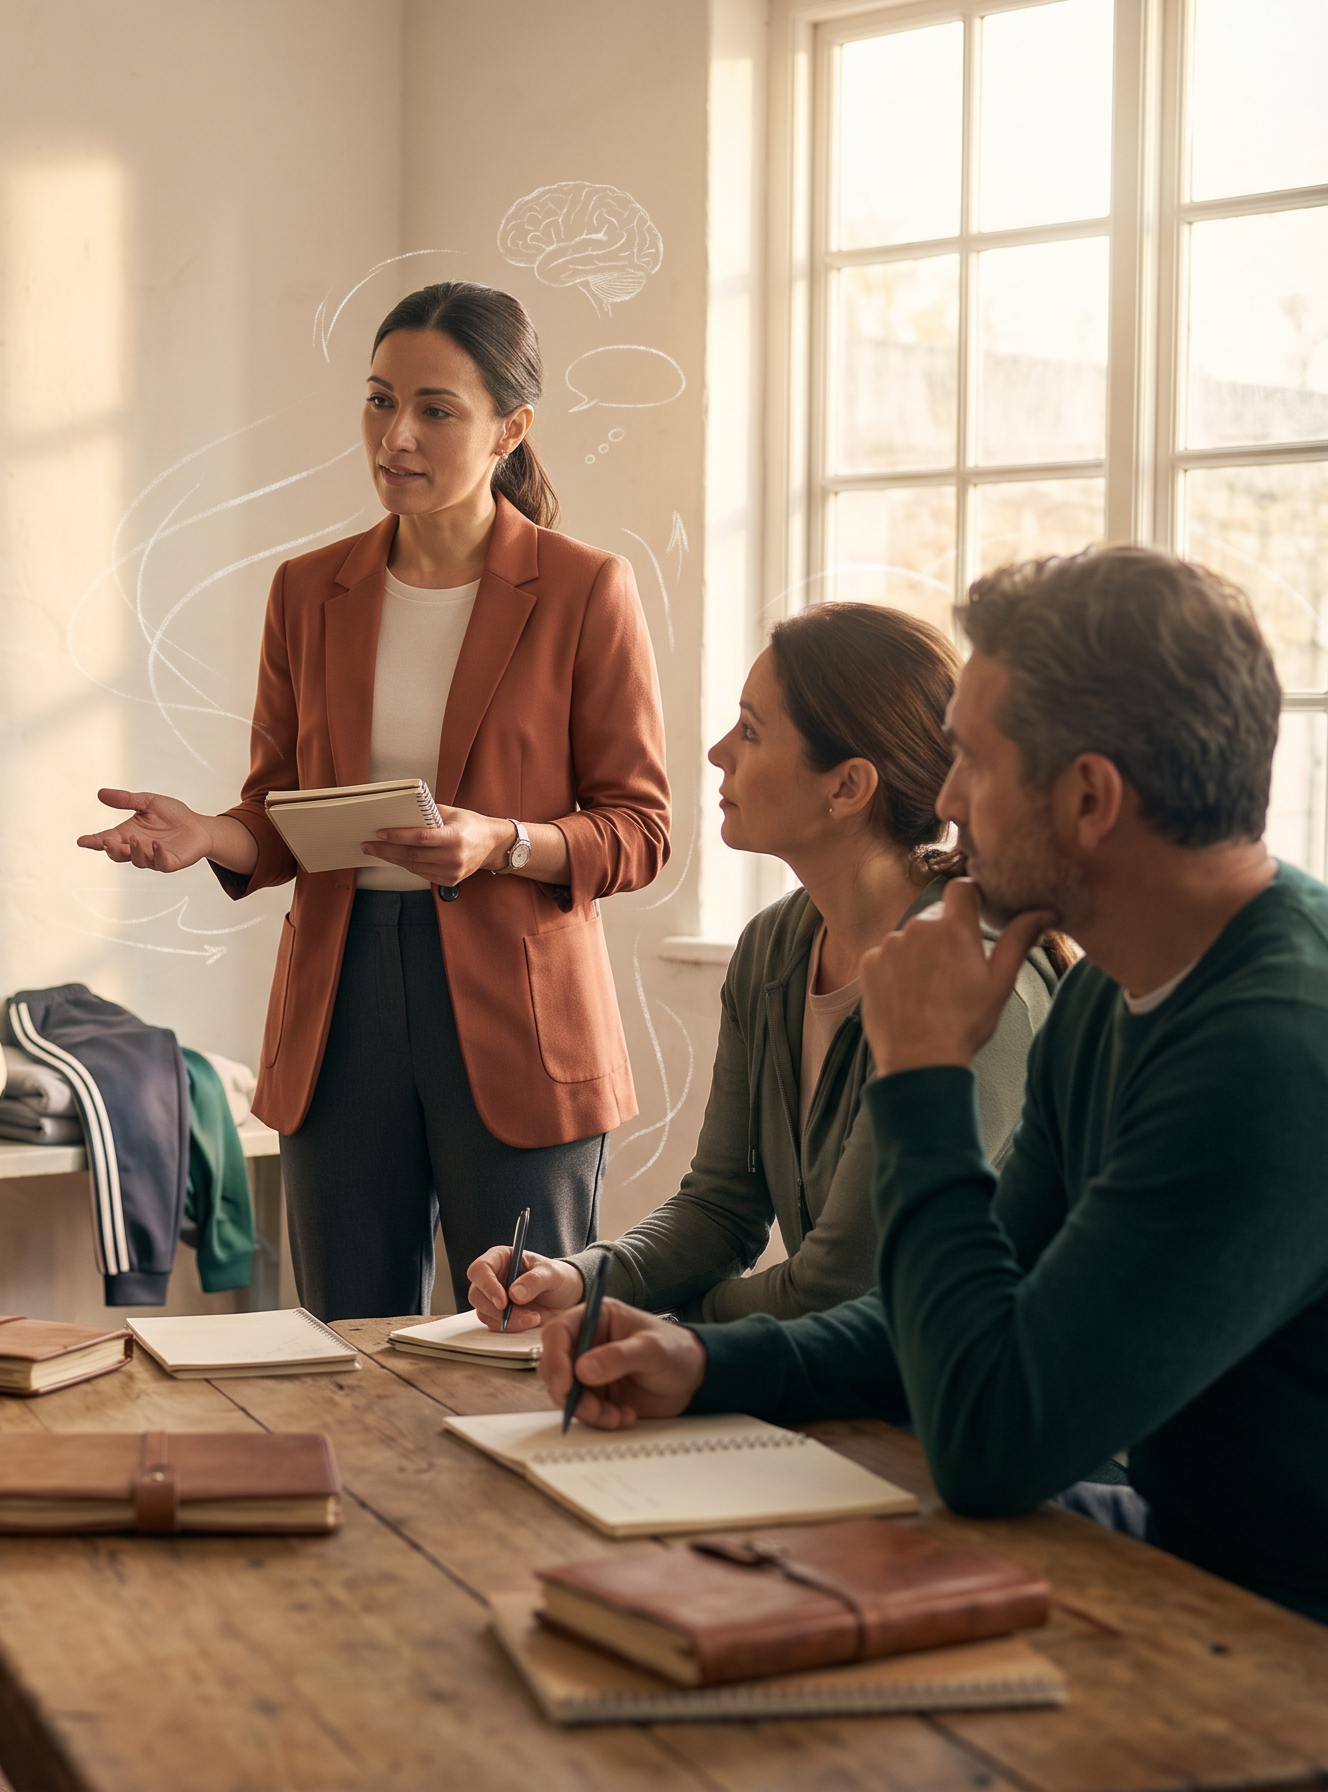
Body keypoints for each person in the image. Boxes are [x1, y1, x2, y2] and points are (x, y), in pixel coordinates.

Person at [532, 546, 1328, 1625]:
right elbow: (949, 1313)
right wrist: (709, 1363)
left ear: (1090, 796)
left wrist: (920, 1073)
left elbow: (990, 1440)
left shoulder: (1271, 1050)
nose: (944, 798)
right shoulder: (1115, 994)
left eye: (972, 763)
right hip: (1187, 1551)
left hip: (1271, 1625)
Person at [80, 281, 669, 1320]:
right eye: (379, 399)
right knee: (347, 1337)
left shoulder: (586, 589)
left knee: (523, 1341)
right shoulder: (310, 591)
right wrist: (206, 834)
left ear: (511, 429)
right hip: (341, 1002)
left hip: (521, 1021)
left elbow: (640, 828)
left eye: (437, 409)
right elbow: (280, 810)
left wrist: (505, 842)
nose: (397, 435)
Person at [464, 604, 1064, 1327]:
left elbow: (844, 1287)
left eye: (751, 730)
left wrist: (647, 1322)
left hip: (951, 1409)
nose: (718, 752)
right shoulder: (774, 946)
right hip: (830, 1381)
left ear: (847, 787)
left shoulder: (973, 980)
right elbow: (722, 1206)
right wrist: (578, 1280)